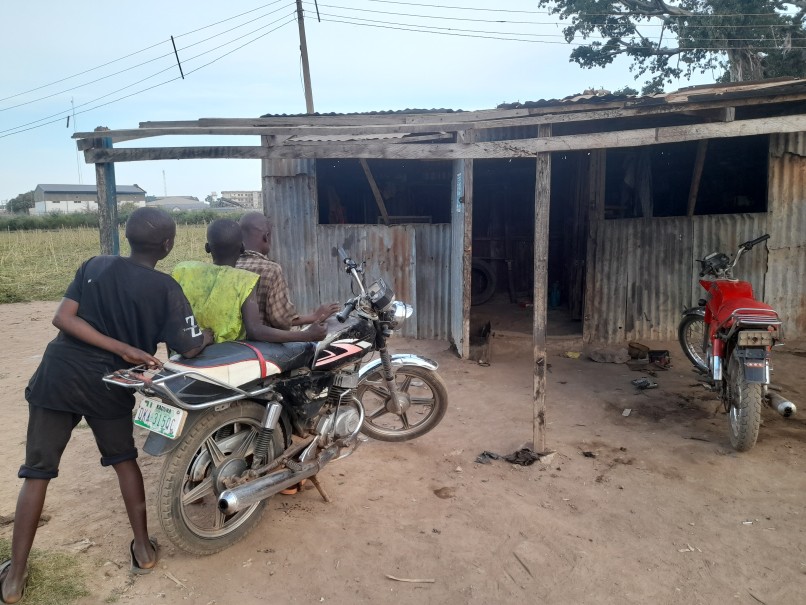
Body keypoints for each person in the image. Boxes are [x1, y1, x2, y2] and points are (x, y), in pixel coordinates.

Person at [0, 207, 212, 604]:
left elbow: (63, 318)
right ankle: (144, 551)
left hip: (57, 376)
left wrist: (118, 346)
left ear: (126, 237)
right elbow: (190, 346)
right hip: (109, 385)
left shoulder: (95, 265)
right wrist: (132, 347)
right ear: (167, 246)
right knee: (123, 459)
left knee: (37, 472)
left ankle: (15, 577)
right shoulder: (166, 288)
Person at [172, 218, 328, 344]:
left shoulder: (186, 272)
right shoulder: (244, 280)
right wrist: (307, 335)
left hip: (194, 350)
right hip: (233, 357)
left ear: (207, 248)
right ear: (241, 248)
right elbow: (256, 329)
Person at [236, 212, 340, 331]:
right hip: (263, 345)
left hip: (233, 344)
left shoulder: (230, 266)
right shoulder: (270, 270)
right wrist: (315, 316)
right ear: (266, 236)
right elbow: (281, 319)